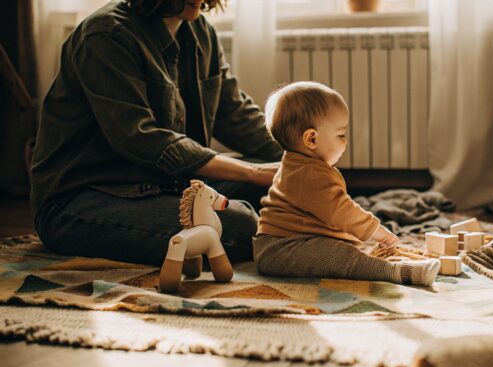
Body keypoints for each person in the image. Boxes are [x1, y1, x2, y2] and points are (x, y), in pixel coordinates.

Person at [30, 0, 282, 264]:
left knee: (287, 186)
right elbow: (143, 140)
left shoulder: (200, 31)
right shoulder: (105, 35)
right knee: (240, 227)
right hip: (81, 199)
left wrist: (312, 157)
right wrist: (254, 173)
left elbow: (236, 116)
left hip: (170, 184)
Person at [252, 81, 441, 286]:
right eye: (341, 134)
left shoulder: (300, 165)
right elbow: (341, 212)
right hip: (281, 250)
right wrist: (378, 231)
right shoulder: (309, 175)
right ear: (311, 139)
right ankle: (395, 271)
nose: (345, 141)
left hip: (292, 243)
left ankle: (385, 262)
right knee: (340, 257)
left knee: (346, 246)